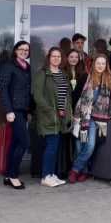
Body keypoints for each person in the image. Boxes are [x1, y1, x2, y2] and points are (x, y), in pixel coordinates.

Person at [68, 54, 111, 183]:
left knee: (90, 145)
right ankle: (84, 171)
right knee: (79, 146)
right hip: (81, 116)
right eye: (98, 63)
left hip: (96, 117)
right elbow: (75, 96)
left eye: (103, 64)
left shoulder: (108, 80)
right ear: (94, 64)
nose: (100, 66)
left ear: (106, 66)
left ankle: (75, 170)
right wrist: (74, 115)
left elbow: (110, 100)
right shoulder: (85, 78)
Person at [32, 47, 72, 188]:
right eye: (53, 56)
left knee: (54, 147)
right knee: (51, 146)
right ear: (49, 58)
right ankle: (45, 176)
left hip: (60, 117)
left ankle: (51, 174)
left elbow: (67, 96)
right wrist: (50, 111)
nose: (56, 59)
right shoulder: (43, 74)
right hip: (49, 116)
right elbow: (37, 95)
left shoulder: (63, 74)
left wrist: (67, 113)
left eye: (59, 56)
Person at [0, 41, 32, 190]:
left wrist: (29, 110)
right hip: (14, 110)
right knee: (25, 141)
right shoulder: (9, 66)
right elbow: (3, 90)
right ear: (15, 50)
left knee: (14, 142)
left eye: (26, 50)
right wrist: (8, 111)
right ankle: (13, 175)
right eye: (21, 49)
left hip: (23, 110)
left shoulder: (27, 68)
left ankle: (7, 175)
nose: (24, 52)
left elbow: (27, 91)